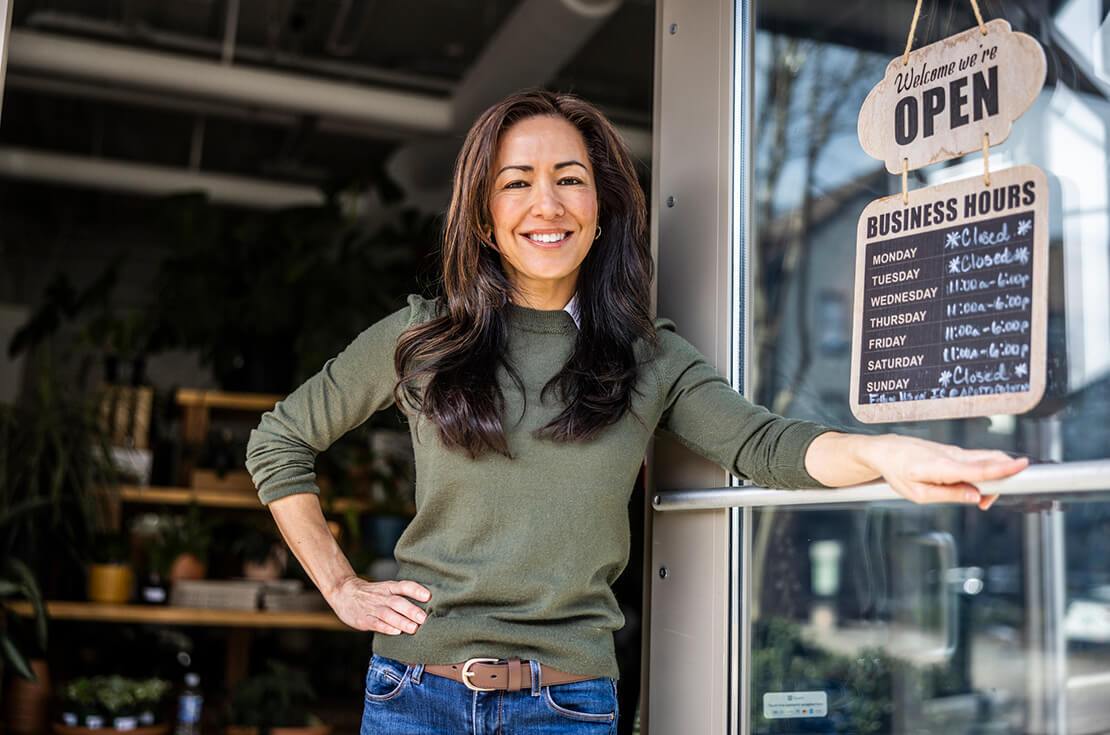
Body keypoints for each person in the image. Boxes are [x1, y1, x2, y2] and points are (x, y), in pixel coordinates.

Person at [245, 89, 1028, 733]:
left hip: (565, 706)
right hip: (413, 695)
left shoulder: (647, 358)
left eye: (570, 178)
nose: (545, 204)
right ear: (484, 216)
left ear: (603, 204)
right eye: (516, 181)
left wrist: (888, 455)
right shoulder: (420, 339)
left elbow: (766, 444)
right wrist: (341, 584)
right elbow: (278, 441)